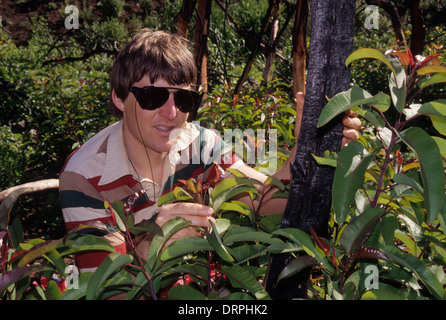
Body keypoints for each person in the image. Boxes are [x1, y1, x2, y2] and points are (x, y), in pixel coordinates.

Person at [59, 29, 360, 273]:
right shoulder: (84, 174)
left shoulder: (200, 144)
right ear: (120, 98)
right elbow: (107, 289)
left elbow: (262, 201)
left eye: (184, 100)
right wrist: (152, 244)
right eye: (153, 96)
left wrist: (308, 151)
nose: (171, 112)